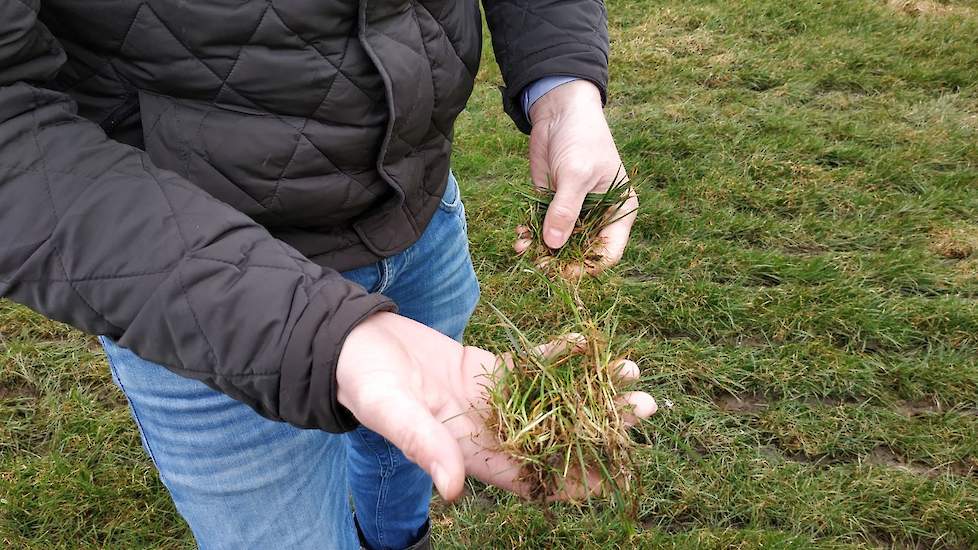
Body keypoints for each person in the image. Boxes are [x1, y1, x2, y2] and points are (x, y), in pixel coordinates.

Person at [0, 1, 656, 548]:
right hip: (200, 290)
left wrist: (563, 84)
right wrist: (310, 334)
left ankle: (397, 538)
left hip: (418, 213)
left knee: (410, 452)